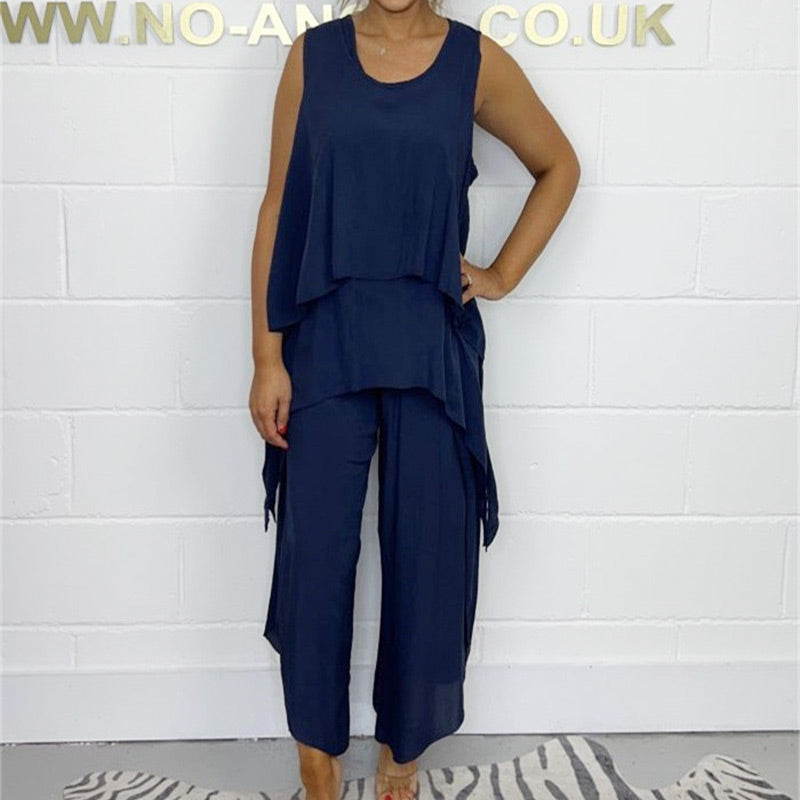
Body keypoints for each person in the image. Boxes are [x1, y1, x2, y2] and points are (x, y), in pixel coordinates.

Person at [248, 2, 580, 799]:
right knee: (315, 553)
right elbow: (277, 206)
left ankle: (403, 753)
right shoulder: (311, 58)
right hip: (325, 340)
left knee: (429, 554)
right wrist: (266, 355)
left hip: (430, 345)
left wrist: (500, 274)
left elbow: (559, 166)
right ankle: (316, 749)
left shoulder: (476, 63)